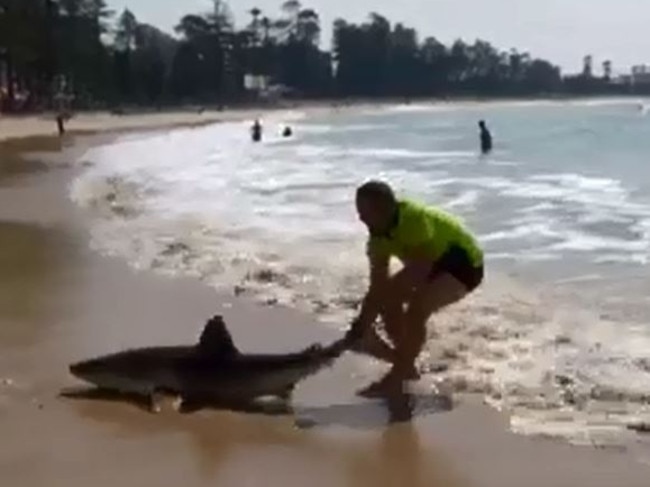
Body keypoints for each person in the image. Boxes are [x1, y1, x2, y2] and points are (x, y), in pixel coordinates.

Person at [347, 180, 484, 396]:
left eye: (365, 211)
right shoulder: (377, 239)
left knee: (416, 309)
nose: (360, 218)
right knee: (385, 303)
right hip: (430, 267)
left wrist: (373, 310)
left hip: (463, 266)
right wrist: (360, 325)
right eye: (359, 211)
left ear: (386, 209)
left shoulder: (413, 218)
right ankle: (406, 365)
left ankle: (397, 375)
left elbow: (422, 269)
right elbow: (378, 287)